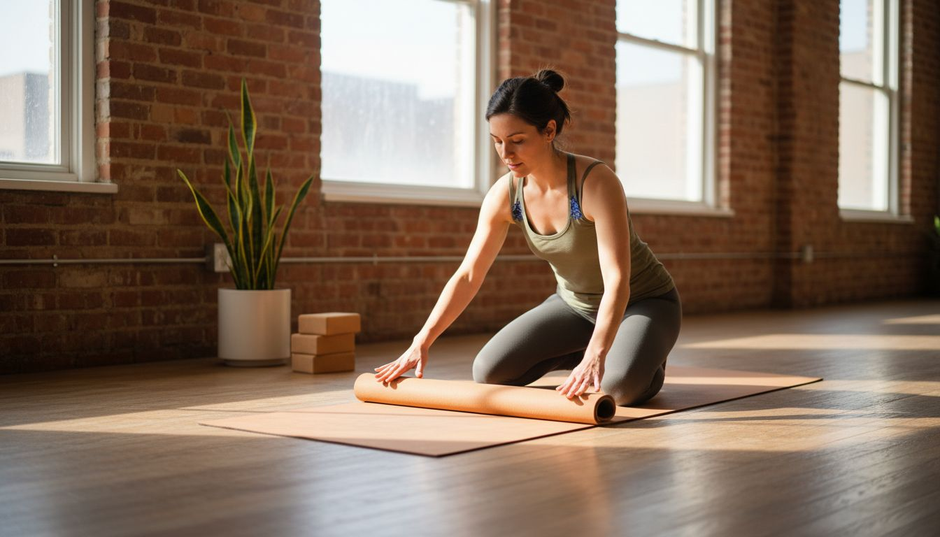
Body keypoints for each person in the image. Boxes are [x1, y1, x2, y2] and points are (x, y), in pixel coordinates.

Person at [373, 69, 681, 406]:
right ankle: (591, 350)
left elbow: (618, 279)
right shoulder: (505, 195)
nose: (506, 152)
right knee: (489, 371)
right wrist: (422, 340)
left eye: (517, 140)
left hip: (642, 303)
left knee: (618, 387)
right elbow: (469, 274)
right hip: (576, 307)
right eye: (497, 141)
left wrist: (598, 353)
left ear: (549, 130)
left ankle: (642, 355)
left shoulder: (595, 183)